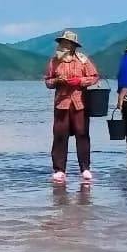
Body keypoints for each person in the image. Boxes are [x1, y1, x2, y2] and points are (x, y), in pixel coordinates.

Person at [44, 30, 100, 184]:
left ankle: (85, 168)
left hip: (79, 102)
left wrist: (81, 81)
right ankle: (59, 169)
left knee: (82, 134)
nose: (62, 45)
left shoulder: (82, 60)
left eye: (66, 43)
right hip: (61, 103)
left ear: (73, 46)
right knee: (60, 135)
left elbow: (94, 77)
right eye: (61, 43)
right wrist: (57, 81)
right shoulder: (54, 61)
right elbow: (47, 81)